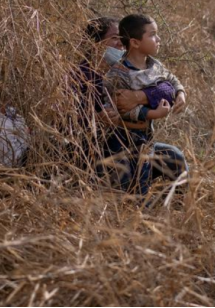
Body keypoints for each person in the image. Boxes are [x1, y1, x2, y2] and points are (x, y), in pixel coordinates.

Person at [75, 16, 188, 196]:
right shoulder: (83, 77)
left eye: (123, 38)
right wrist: (97, 119)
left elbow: (167, 85)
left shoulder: (145, 66)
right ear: (95, 43)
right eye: (115, 38)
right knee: (132, 186)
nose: (122, 44)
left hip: (141, 139)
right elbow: (69, 119)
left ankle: (176, 208)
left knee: (174, 157)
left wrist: (141, 96)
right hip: (102, 149)